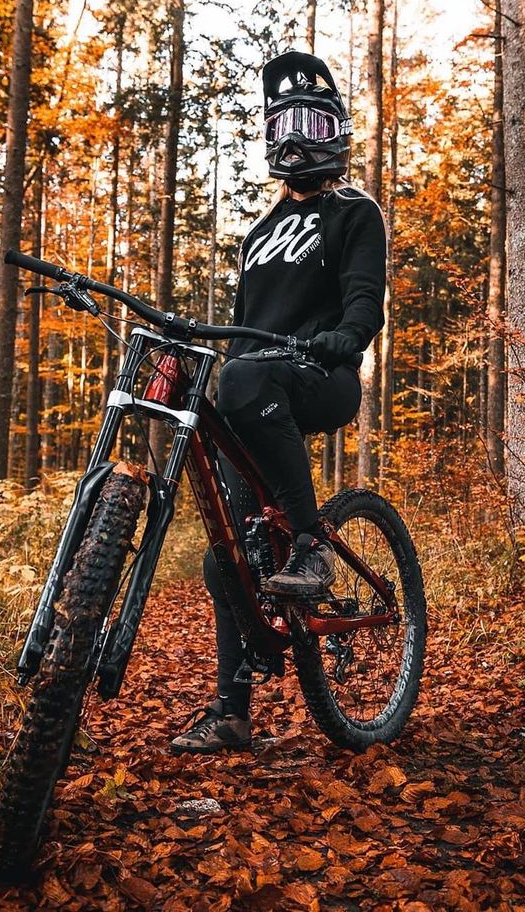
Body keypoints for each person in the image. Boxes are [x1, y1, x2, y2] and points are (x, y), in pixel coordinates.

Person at [171, 50, 386, 755]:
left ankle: (314, 543)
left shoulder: (356, 211)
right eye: (282, 122)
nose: (294, 137)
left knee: (246, 380)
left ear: (336, 130)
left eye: (310, 120)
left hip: (323, 375)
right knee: (222, 559)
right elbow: (241, 328)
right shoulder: (258, 234)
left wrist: (345, 337)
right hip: (251, 390)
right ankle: (233, 712)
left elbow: (363, 299)